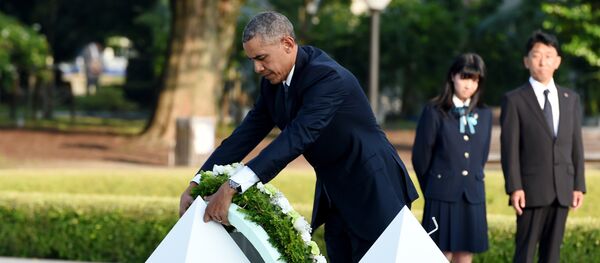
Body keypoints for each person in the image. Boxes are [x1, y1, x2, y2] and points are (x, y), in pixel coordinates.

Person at [178, 11, 418, 262]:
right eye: (251, 60)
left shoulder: (327, 77)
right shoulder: (273, 84)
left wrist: (233, 186)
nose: (257, 68)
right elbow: (245, 135)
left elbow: (297, 137)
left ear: (287, 44)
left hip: (375, 186)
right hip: (335, 194)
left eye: (261, 58)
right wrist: (196, 182)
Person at [500, 30, 586, 263]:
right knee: (525, 254)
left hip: (563, 189)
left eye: (549, 55)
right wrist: (514, 187)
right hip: (529, 191)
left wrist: (578, 185)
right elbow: (510, 149)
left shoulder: (571, 98)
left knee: (552, 255)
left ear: (557, 61)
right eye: (536, 55)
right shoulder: (515, 99)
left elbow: (576, 145)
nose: (542, 61)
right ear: (526, 61)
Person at [412, 53, 491, 263]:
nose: (469, 85)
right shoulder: (435, 110)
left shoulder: (484, 114)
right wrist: (433, 187)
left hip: (472, 194)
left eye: (475, 79)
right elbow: (421, 158)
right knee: (440, 255)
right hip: (441, 194)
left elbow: (481, 155)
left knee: (465, 254)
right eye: (465, 77)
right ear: (453, 76)